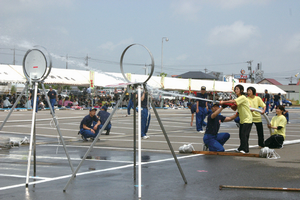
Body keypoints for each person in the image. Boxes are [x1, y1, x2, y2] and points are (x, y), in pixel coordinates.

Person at [220, 84, 253, 153]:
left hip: (248, 119)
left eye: (237, 89)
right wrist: (228, 105)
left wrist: (224, 102)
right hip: (242, 119)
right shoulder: (239, 98)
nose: (236, 90)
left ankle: (245, 149)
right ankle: (241, 147)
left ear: (241, 90)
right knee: (241, 135)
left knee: (244, 134)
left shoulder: (243, 97)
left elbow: (233, 101)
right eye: (235, 89)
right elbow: (234, 108)